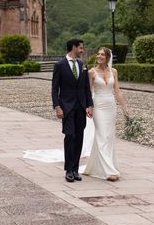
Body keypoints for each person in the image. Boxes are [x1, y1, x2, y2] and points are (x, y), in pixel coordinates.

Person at [82, 47, 130, 181]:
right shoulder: (91, 72)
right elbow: (88, 91)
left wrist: (125, 108)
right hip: (98, 106)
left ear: (108, 57)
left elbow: (117, 91)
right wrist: (88, 106)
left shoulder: (114, 71)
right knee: (102, 134)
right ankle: (109, 170)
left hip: (110, 106)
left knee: (108, 137)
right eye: (98, 54)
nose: (99, 56)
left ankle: (101, 165)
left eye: (102, 54)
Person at [51, 38, 94, 183]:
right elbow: (54, 88)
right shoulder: (60, 65)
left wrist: (89, 105)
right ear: (73, 48)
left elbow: (86, 88)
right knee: (70, 136)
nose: (82, 50)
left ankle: (75, 169)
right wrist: (57, 107)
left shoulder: (82, 65)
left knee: (79, 138)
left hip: (81, 107)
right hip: (66, 107)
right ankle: (68, 169)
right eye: (80, 48)